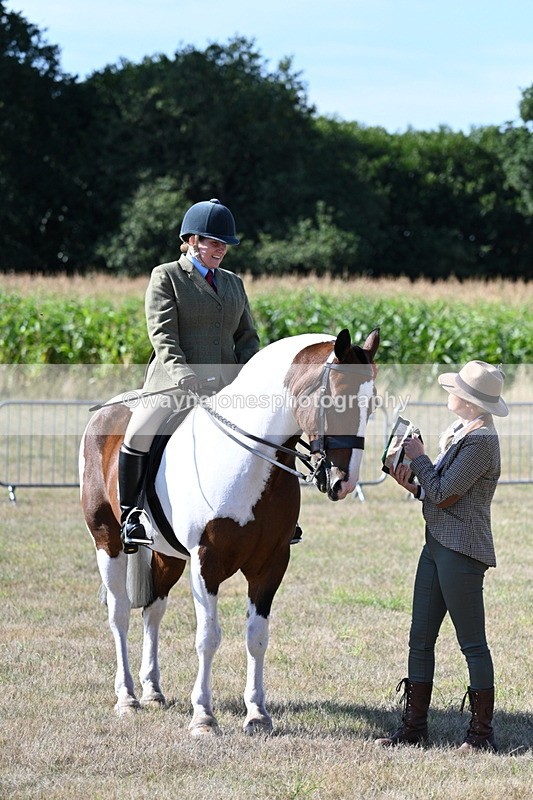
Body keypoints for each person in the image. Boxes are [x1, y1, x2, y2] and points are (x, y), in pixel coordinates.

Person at [375, 360, 508, 752]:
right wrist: (411, 484)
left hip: (461, 552)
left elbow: (444, 493)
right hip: (437, 544)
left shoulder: (481, 441)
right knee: (420, 639)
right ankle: (414, 728)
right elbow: (435, 493)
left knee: (472, 644)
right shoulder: (465, 432)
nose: (451, 393)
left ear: (470, 401)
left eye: (457, 390)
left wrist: (418, 457)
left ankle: (481, 735)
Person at [118, 198, 260, 551]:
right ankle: (132, 516)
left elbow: (247, 336)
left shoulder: (233, 283)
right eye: (214, 242)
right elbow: (163, 335)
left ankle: (272, 515)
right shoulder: (166, 276)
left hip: (226, 386)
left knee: (267, 431)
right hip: (173, 383)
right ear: (192, 240)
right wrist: (184, 376)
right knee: (138, 433)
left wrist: (248, 376)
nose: (221, 249)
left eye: (225, 244)